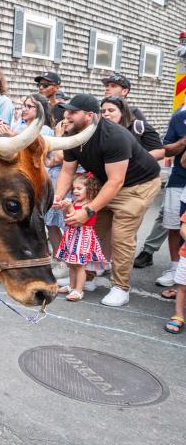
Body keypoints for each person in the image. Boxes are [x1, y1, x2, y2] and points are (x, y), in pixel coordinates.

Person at [54, 94, 161, 307]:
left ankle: (121, 288)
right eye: (67, 111)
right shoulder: (73, 134)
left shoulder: (114, 136)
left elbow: (116, 181)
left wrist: (88, 210)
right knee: (93, 231)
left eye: (73, 112)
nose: (67, 115)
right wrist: (58, 196)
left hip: (138, 185)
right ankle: (89, 278)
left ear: (90, 115)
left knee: (121, 237)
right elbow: (67, 171)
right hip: (108, 183)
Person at [134, 102, 186, 285]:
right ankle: (174, 268)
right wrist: (183, 142)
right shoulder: (179, 118)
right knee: (173, 224)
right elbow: (166, 149)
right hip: (179, 178)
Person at [56, 173, 108, 301]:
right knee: (71, 264)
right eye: (74, 188)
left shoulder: (88, 205)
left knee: (79, 265)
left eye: (79, 188)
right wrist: (64, 208)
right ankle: (71, 286)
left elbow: (78, 218)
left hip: (82, 237)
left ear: (89, 189)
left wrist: (70, 207)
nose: (75, 191)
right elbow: (68, 219)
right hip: (72, 235)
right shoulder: (75, 202)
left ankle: (79, 290)